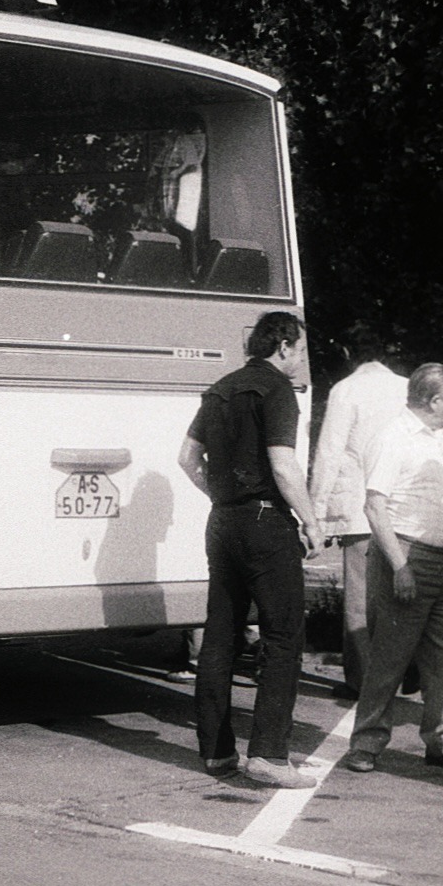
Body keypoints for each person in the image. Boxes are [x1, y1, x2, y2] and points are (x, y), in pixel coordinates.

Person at [178, 311, 323, 789]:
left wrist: (221, 494)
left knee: (220, 635)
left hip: (222, 521)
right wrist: (311, 519)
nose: (302, 359)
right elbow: (283, 465)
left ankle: (217, 753)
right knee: (283, 638)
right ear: (282, 346)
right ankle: (268, 755)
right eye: (300, 349)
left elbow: (186, 458)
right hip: (266, 522)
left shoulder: (221, 387)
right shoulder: (278, 390)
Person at [338, 364, 443, 773]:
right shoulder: (392, 438)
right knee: (390, 653)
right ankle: (366, 742)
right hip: (408, 555)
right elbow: (375, 505)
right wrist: (400, 566)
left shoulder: (438, 439)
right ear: (435, 400)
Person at [308, 327, 411, 696]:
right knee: (401, 593)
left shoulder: (345, 391)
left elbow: (329, 453)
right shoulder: (405, 387)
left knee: (360, 602)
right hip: (403, 506)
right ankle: (405, 667)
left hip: (359, 509)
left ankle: (364, 681)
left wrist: (315, 514)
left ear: (348, 350)